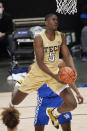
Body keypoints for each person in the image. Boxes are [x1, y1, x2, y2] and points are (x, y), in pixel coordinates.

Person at [11, 13, 83, 128]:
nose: (56, 21)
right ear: (46, 23)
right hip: (38, 73)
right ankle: (18, 84)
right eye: (53, 19)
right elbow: (40, 63)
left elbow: (68, 55)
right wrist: (55, 76)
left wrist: (73, 70)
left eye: (57, 20)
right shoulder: (39, 38)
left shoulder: (61, 36)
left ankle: (54, 113)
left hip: (54, 72)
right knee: (15, 101)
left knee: (72, 104)